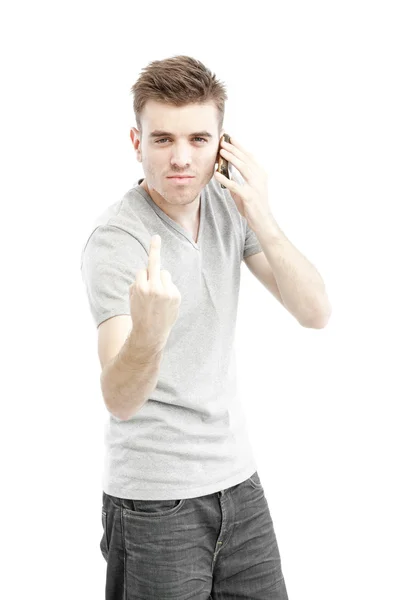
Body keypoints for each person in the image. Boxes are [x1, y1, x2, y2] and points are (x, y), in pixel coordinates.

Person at [81, 54, 328, 599]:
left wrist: (261, 213)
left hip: (239, 485)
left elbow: (315, 312)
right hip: (154, 504)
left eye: (198, 138)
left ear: (222, 144)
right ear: (136, 142)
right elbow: (119, 399)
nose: (181, 158)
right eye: (163, 139)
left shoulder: (229, 207)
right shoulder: (116, 241)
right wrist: (149, 332)